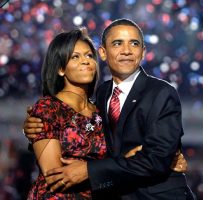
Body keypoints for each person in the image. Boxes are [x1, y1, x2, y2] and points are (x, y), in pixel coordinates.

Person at [24, 18, 194, 199]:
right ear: (103, 53)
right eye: (118, 43)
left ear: (143, 52)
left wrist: (90, 170)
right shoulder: (103, 94)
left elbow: (156, 159)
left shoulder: (161, 93)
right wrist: (38, 129)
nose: (126, 51)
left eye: (134, 44)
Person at [26, 27, 108, 199]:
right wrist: (102, 171)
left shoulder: (103, 111)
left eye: (89, 56)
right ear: (61, 69)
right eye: (75, 57)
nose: (85, 61)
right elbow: (54, 176)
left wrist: (91, 171)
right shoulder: (48, 108)